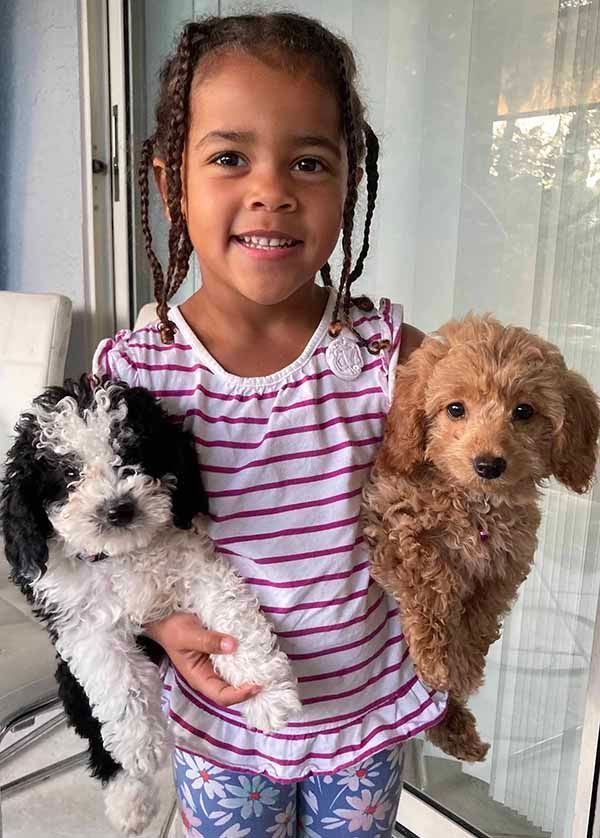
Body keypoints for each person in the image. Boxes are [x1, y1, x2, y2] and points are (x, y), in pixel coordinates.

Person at [93, 12, 446, 837]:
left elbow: (466, 465)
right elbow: (96, 553)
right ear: (170, 181)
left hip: (364, 708)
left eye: (310, 162)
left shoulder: (388, 351)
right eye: (228, 157)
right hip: (227, 717)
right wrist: (161, 624)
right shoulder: (136, 373)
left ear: (349, 182)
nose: (272, 190)